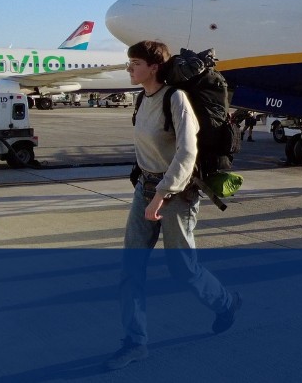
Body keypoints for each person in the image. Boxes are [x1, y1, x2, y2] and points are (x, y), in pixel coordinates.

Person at [105, 41, 240, 371]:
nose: (129, 68)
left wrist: (161, 195)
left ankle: (226, 302)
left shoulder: (175, 99)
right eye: (129, 62)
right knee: (131, 269)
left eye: (135, 63)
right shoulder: (143, 98)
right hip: (146, 187)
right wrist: (145, 186)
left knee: (183, 269)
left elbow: (187, 153)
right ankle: (135, 343)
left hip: (178, 193)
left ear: (153, 67)